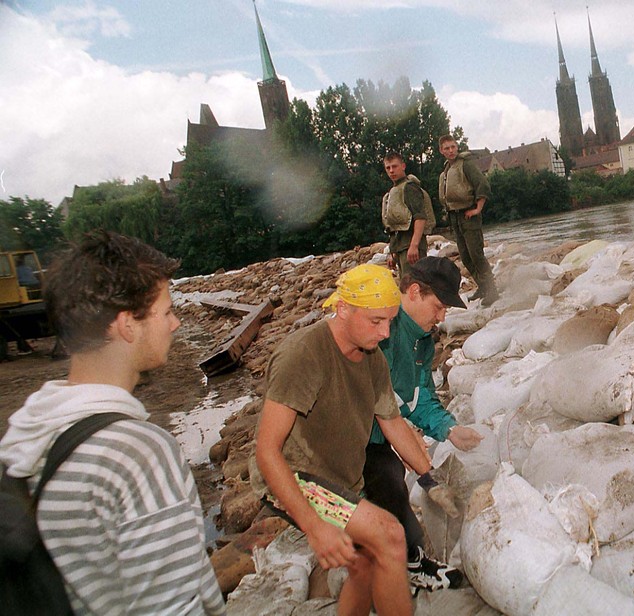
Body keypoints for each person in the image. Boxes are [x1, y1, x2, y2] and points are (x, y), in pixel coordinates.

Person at [0, 230, 225, 615]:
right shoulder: (139, 455)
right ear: (127, 325)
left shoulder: (28, 429)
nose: (175, 324)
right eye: (167, 311)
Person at [253, 263, 432, 616]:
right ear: (344, 309)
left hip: (338, 479)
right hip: (295, 476)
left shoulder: (373, 360)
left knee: (364, 563)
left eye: (390, 322)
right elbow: (266, 450)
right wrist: (314, 526)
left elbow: (393, 422)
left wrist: (430, 477)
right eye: (376, 321)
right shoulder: (303, 355)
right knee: (390, 536)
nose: (384, 333)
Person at [363, 256, 484, 591]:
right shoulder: (379, 329)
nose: (442, 317)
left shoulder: (422, 341)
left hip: (380, 438)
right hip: (350, 436)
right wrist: (423, 471)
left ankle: (412, 562)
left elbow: (419, 399)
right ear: (414, 291)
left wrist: (449, 428)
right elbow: (374, 405)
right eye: (439, 306)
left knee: (393, 494)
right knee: (372, 497)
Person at [437, 135, 499, 305]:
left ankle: (492, 289)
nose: (450, 151)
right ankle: (483, 286)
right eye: (447, 148)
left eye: (453, 147)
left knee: (476, 254)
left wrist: (478, 208)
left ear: (457, 147)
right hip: (455, 217)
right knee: (465, 257)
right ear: (441, 151)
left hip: (469, 215)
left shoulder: (466, 164)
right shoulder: (446, 171)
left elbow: (482, 184)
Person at [382, 152, 430, 279]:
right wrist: (393, 253)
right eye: (388, 168)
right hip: (400, 247)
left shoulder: (410, 188)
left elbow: (420, 217)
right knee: (406, 285)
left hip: (411, 245)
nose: (391, 171)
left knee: (416, 285)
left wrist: (414, 246)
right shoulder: (393, 191)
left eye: (394, 166)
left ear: (403, 166)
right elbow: (394, 228)